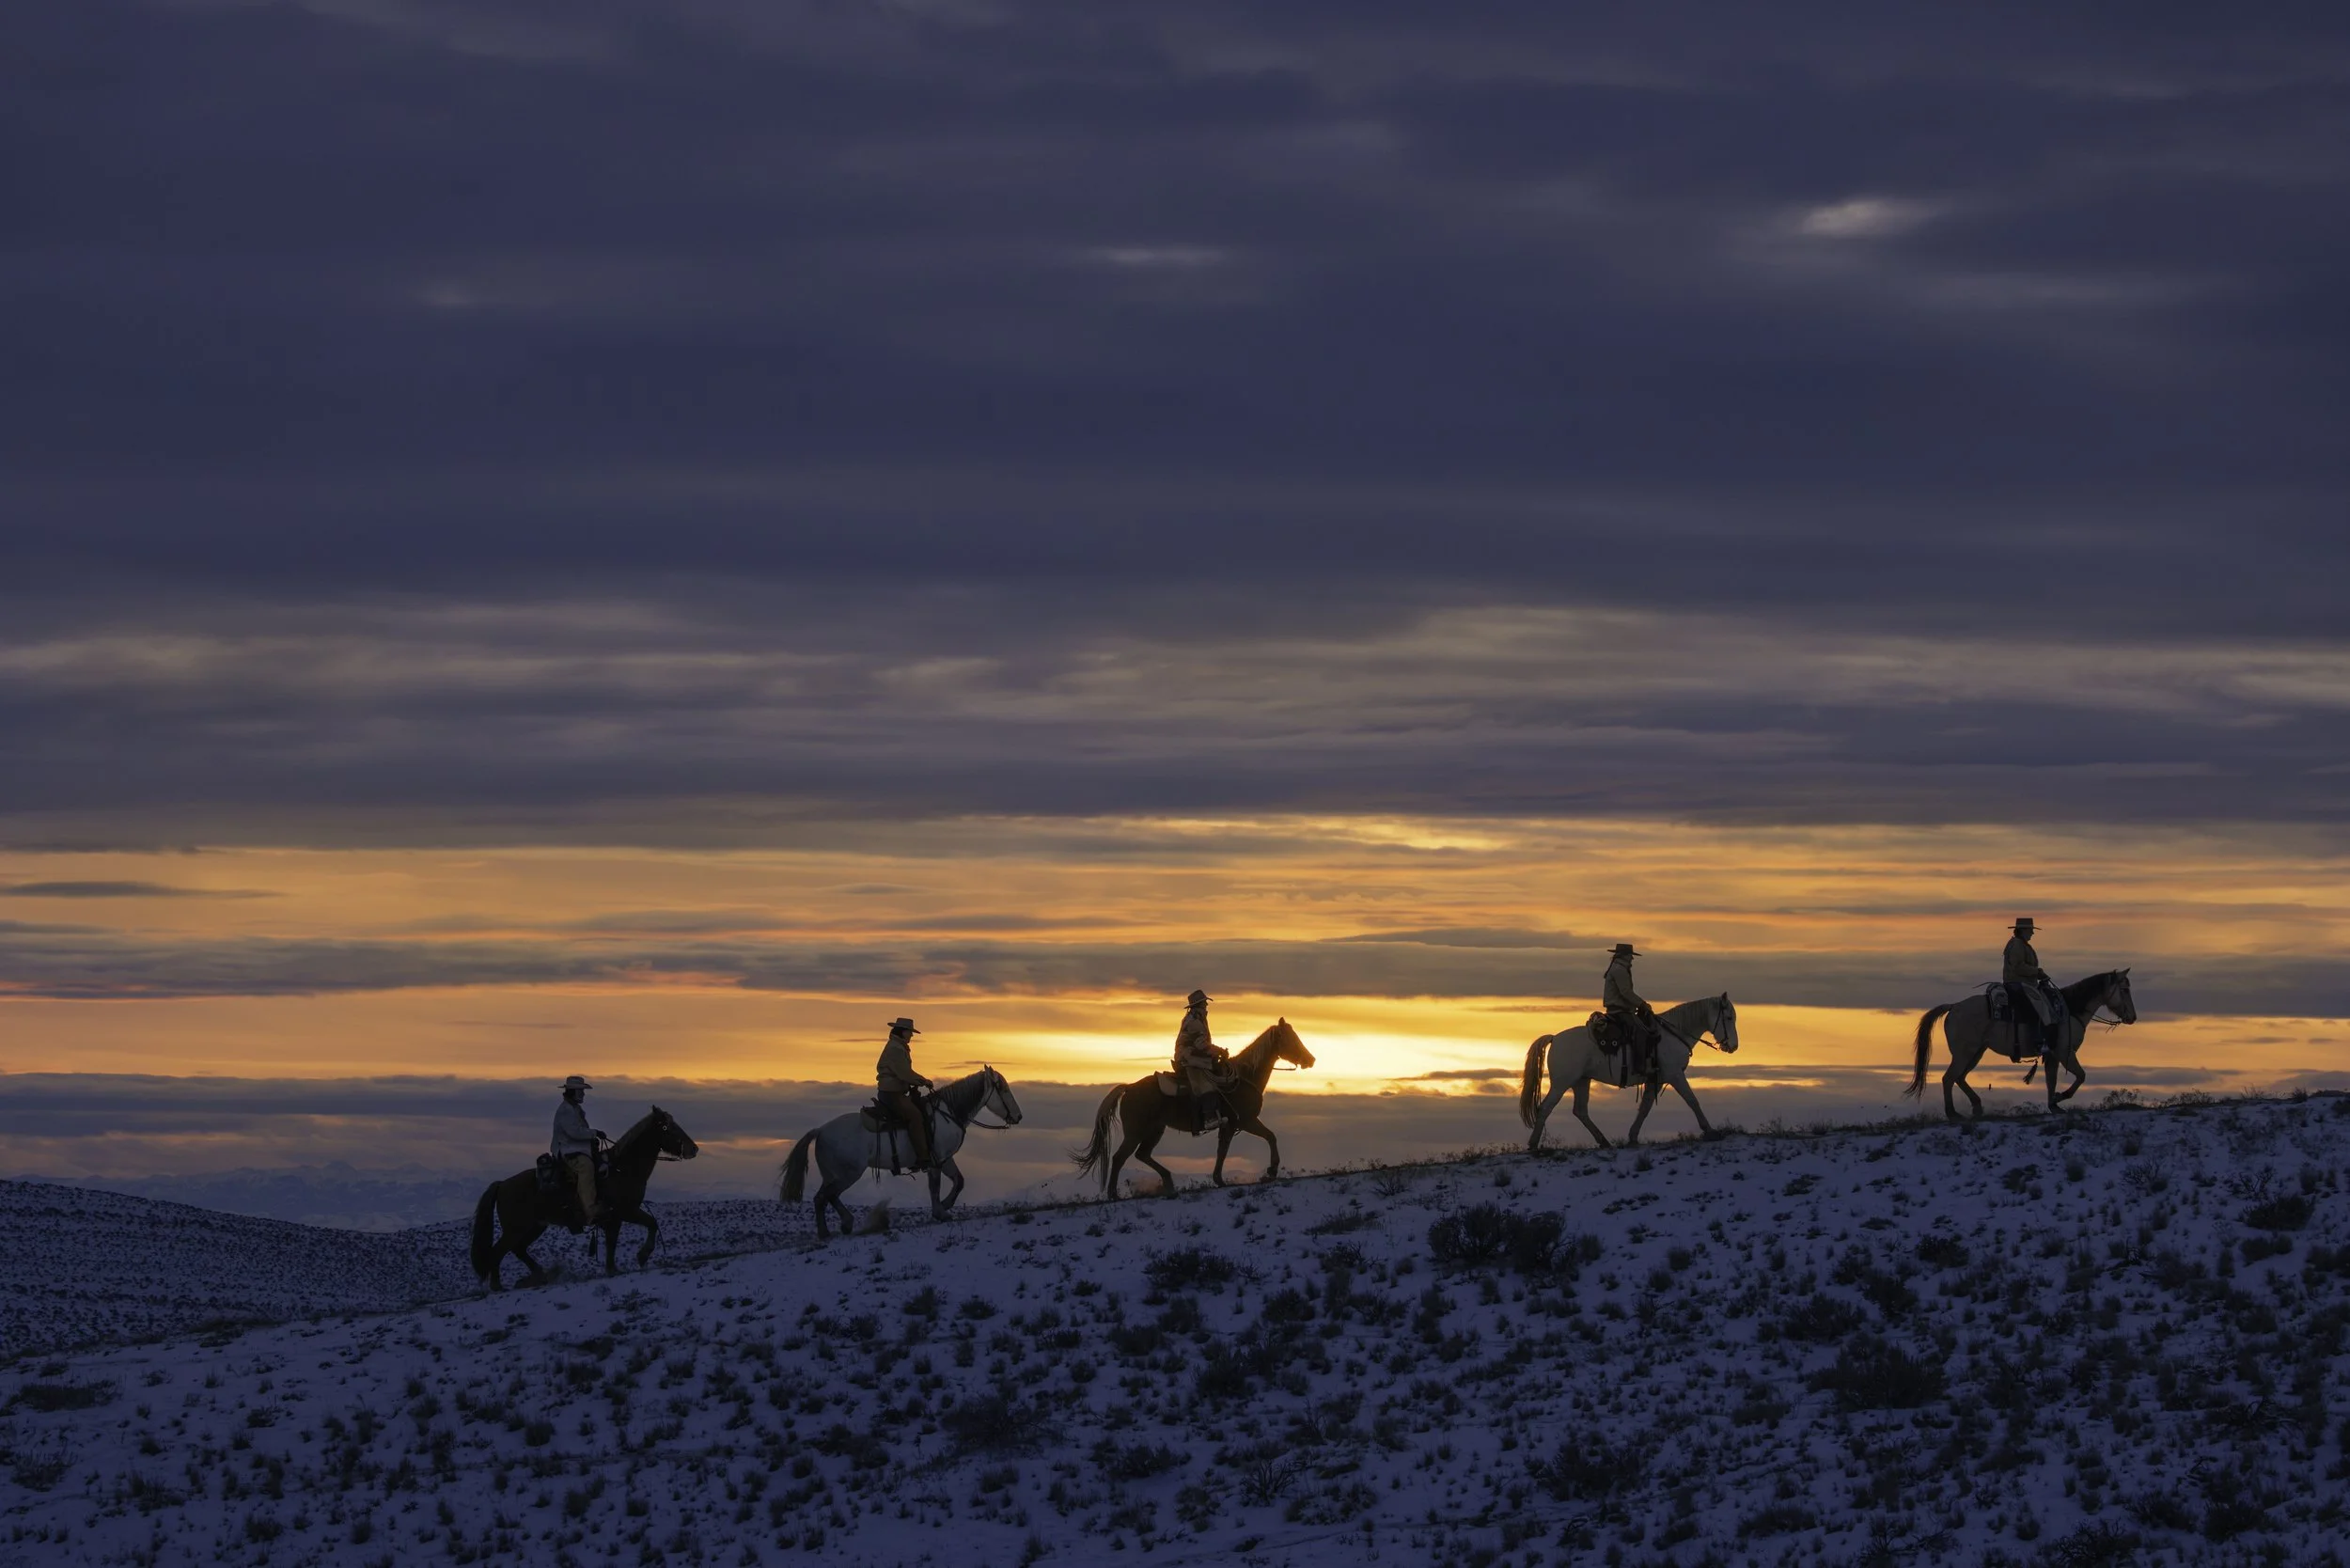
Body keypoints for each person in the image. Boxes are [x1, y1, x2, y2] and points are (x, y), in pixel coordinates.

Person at [877, 1016, 935, 1171]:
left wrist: (919, 1080)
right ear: (902, 1032)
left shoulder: (898, 1047)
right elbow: (904, 1074)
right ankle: (922, 1159)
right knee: (915, 1117)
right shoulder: (896, 1049)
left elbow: (905, 1073)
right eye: (910, 1032)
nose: (912, 1035)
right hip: (892, 1094)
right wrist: (923, 1081)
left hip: (894, 1091)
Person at [2002, 917, 2062, 1058]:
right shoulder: (2018, 945)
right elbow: (2018, 967)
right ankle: (2038, 1041)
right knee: (2038, 1007)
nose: (2032, 933)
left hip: (2022, 983)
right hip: (2018, 984)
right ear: (2023, 931)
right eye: (2030, 930)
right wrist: (2037, 972)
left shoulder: (2020, 944)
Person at [1602, 944, 1662, 1081]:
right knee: (1641, 1032)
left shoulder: (1618, 968)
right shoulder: (1620, 970)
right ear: (1624, 956)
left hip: (1620, 1009)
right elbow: (1626, 992)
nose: (1632, 959)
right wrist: (1642, 1004)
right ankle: (1640, 1067)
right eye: (1630, 956)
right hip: (1620, 1011)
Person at [551, 1074, 604, 1224]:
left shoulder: (575, 1109)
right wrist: (594, 1133)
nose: (583, 1094)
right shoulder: (566, 1110)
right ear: (573, 1091)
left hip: (576, 1148)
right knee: (586, 1167)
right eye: (580, 1091)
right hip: (568, 1150)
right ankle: (590, 1210)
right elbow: (574, 1132)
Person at [1173, 988, 1229, 1130]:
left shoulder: (1196, 1018)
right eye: (1204, 1003)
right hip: (1189, 1056)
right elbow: (1201, 1044)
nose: (1207, 1005)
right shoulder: (1195, 1022)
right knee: (1206, 1083)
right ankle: (1209, 1118)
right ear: (1199, 1005)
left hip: (1192, 1054)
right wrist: (1219, 1051)